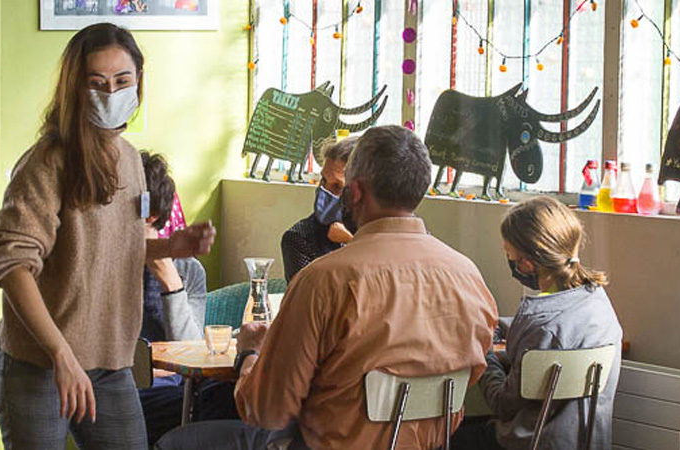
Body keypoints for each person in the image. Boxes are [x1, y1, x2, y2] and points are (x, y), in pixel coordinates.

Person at [156, 125, 498, 450]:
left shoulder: (324, 280)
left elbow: (266, 411)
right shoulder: (469, 278)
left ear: (356, 190)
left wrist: (249, 355)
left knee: (179, 441)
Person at [0, 23, 214, 449]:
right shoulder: (47, 163)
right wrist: (60, 354)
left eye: (122, 81)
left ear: (138, 82)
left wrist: (172, 247)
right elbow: (10, 263)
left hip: (110, 364)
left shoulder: (130, 161)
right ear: (76, 88)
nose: (111, 92)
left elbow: (114, 244)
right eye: (97, 82)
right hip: (39, 365)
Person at [451, 196, 622, 450]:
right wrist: (499, 324)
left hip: (530, 443)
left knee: (441, 435)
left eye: (508, 253)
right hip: (584, 442)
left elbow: (501, 403)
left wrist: (484, 354)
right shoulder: (598, 301)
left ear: (526, 263)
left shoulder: (541, 328)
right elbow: (556, 333)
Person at [137, 151, 237, 445]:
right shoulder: (103, 264)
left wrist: (170, 281)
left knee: (238, 397)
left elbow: (192, 349)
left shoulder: (188, 269)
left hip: (181, 388)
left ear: (151, 215)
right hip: (128, 390)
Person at [280, 137, 357, 282]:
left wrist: (352, 241)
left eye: (337, 186)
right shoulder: (300, 238)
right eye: (323, 181)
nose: (324, 192)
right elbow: (311, 299)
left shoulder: (384, 230)